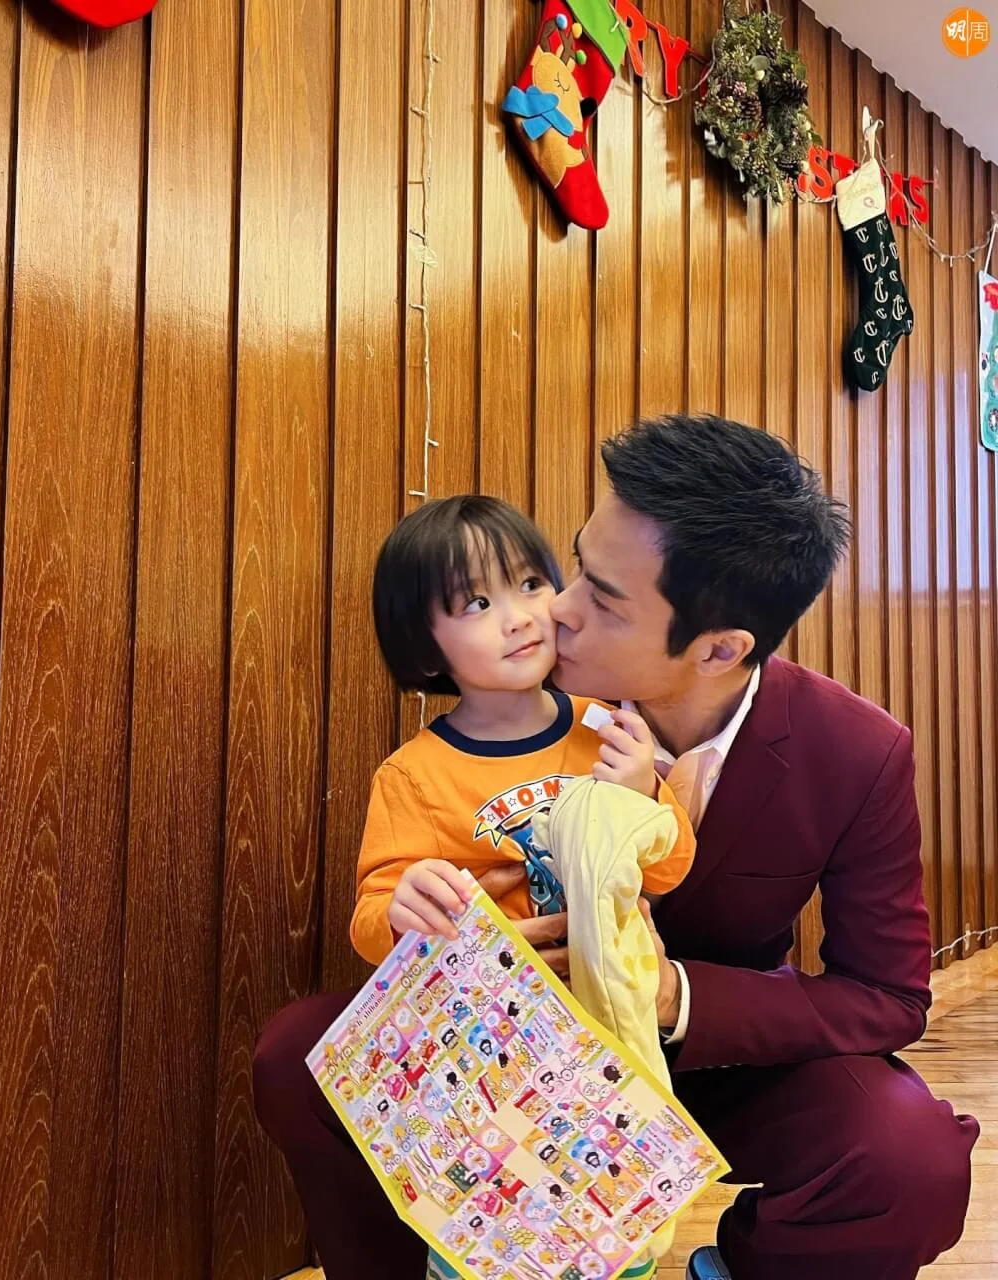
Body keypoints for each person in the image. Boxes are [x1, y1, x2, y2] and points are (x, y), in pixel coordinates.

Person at [253, 416, 979, 1280]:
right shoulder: (496, 736)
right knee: (301, 1056)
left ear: (718, 649)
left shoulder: (855, 752)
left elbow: (887, 997)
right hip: (511, 1051)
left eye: (600, 598)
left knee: (910, 1159)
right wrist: (440, 923)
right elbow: (394, 899)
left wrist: (672, 996)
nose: (554, 610)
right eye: (572, 565)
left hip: (708, 1052)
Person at [351, 493, 694, 970]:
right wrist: (400, 911)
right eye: (478, 603)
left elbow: (669, 872)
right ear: (425, 648)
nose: (518, 619)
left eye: (531, 584)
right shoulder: (412, 777)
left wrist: (644, 796)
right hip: (500, 1001)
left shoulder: (603, 728)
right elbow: (372, 926)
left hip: (618, 989)